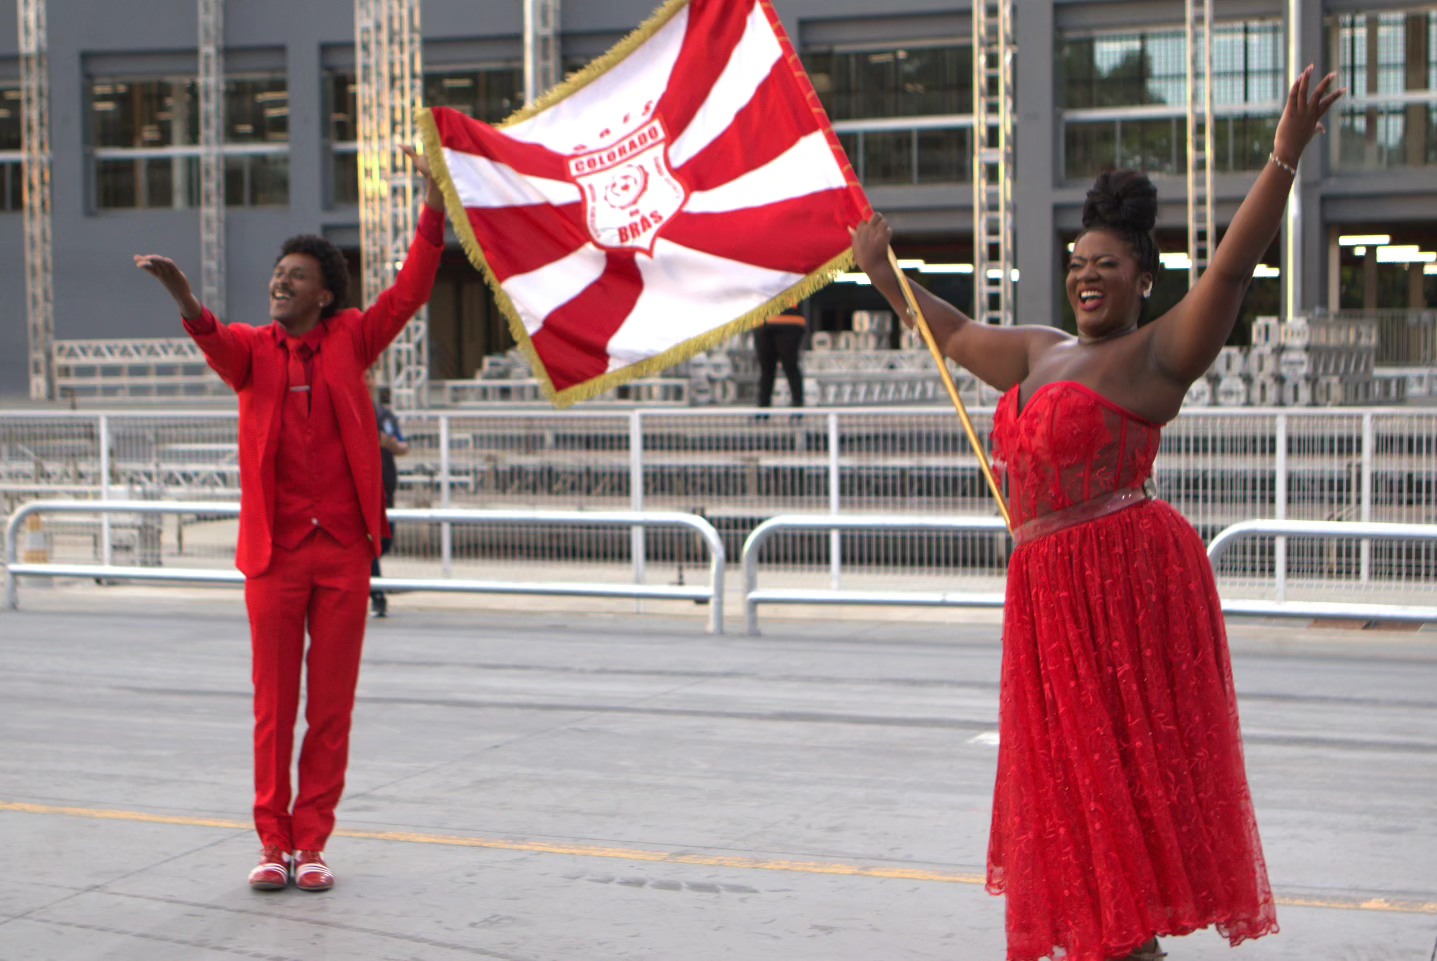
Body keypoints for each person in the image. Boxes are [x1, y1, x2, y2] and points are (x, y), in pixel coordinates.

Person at [851, 67, 1342, 961]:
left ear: (1142, 280)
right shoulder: (1040, 350)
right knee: (1075, 809)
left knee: (1112, 800)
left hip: (1122, 588)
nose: (1084, 277)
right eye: (1076, 263)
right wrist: (886, 276)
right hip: (1045, 602)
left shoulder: (1157, 355)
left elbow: (1230, 270)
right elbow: (955, 335)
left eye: (1104, 266)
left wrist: (1282, 156)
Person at [134, 144, 445, 893]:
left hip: (341, 553)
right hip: (273, 555)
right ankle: (272, 842)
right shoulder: (249, 352)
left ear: (324, 295)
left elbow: (408, 291)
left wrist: (433, 210)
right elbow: (212, 335)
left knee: (330, 709)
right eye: (278, 273)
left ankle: (314, 842)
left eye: (296, 276)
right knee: (275, 706)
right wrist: (184, 299)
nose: (280, 281)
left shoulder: (352, 339)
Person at [366, 366, 409, 618]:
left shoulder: (384, 415)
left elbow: (403, 447)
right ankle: (378, 596)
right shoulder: (350, 411)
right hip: (363, 490)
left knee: (385, 541)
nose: (366, 381)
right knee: (369, 545)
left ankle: (370, 585)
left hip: (386, 486)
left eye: (369, 376)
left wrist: (389, 444)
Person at [755, 304, 806, 408]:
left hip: (790, 320)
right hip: (763, 321)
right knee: (766, 368)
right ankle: (762, 409)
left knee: (790, 365)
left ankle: (797, 406)